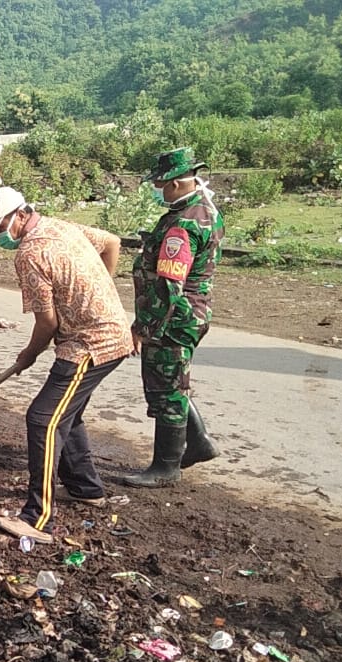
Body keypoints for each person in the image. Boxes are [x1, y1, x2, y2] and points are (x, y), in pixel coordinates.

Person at [0, 188, 131, 544]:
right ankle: (85, 488)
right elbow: (112, 243)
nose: (0, 237)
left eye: (1, 228)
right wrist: (98, 293)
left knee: (42, 418)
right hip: (111, 331)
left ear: (19, 215)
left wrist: (29, 354)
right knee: (66, 412)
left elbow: (46, 323)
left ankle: (37, 517)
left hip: (90, 343)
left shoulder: (30, 253)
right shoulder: (62, 226)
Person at [124, 147, 223, 488]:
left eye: (160, 184)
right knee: (173, 382)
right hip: (193, 311)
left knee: (166, 391)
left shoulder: (182, 225)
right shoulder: (204, 209)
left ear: (177, 183)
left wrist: (144, 327)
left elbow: (169, 285)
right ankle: (199, 443)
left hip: (173, 318)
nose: (158, 190)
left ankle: (166, 467)